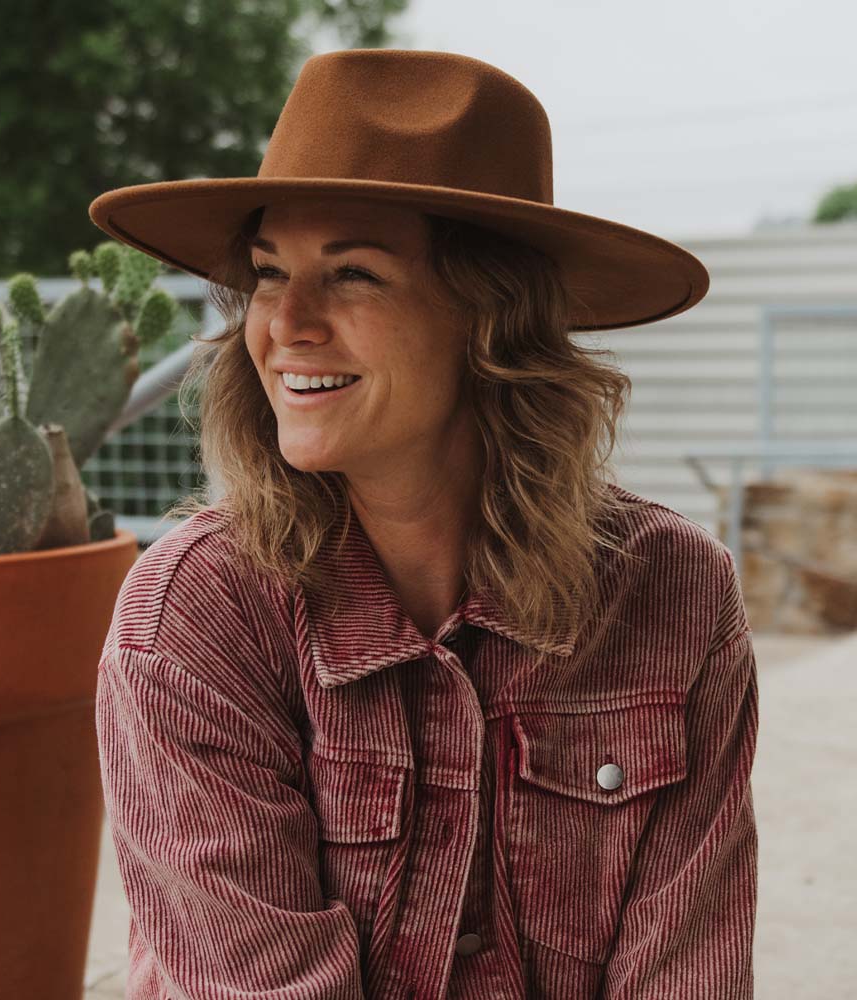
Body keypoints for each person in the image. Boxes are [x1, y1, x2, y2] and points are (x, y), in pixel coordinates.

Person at [90, 49, 759, 999]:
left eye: (353, 273)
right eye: (271, 273)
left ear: (492, 319)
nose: (288, 324)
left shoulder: (674, 593)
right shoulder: (197, 618)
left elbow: (686, 974)